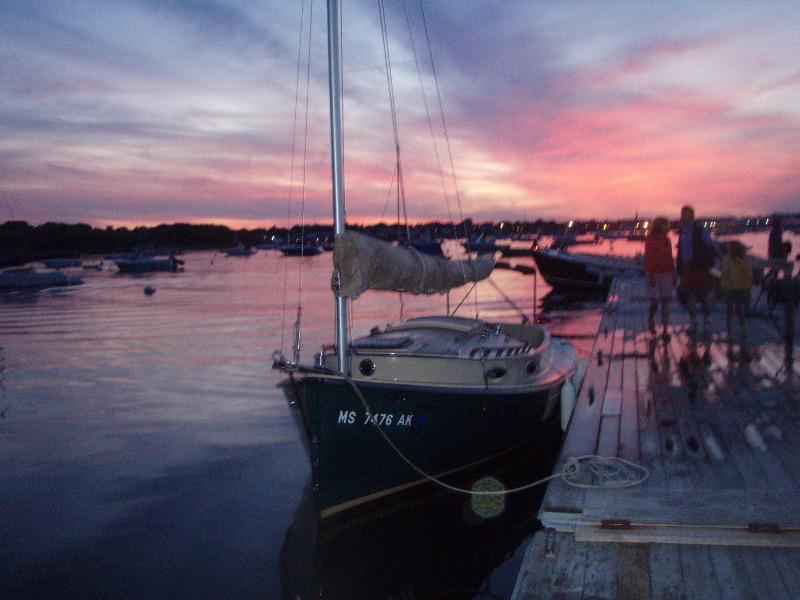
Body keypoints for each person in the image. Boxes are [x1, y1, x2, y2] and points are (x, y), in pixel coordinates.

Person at [677, 205, 718, 333]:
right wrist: (679, 266)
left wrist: (722, 260)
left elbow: (712, 245)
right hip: (686, 267)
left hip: (699, 267)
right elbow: (681, 250)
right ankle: (694, 322)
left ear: (692, 217)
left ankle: (707, 321)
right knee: (689, 295)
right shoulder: (682, 231)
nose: (684, 217)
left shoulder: (701, 230)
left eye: (687, 215)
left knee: (704, 294)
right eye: (683, 215)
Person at [644, 216, 675, 340]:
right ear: (659, 226)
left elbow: (670, 257)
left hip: (667, 273)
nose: (668, 227)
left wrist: (673, 274)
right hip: (655, 273)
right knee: (656, 300)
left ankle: (665, 329)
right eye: (666, 224)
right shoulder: (650, 239)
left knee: (666, 301)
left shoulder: (667, 240)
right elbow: (649, 258)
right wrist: (650, 274)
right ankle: (651, 318)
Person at [719, 240, 752, 344]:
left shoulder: (743, 259)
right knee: (729, 311)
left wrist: (746, 287)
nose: (729, 249)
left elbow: (748, 274)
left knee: (738, 309)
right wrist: (723, 286)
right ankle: (730, 332)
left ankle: (742, 327)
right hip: (729, 288)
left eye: (731, 247)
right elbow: (724, 274)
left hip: (740, 289)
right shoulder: (726, 259)